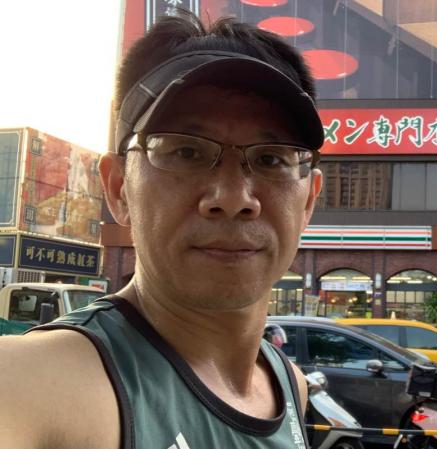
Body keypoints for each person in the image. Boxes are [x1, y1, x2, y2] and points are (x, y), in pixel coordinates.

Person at [0, 12, 323, 448]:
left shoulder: (289, 384)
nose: (233, 197)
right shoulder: (32, 386)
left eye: (270, 159)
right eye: (186, 152)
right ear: (119, 189)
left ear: (308, 201)